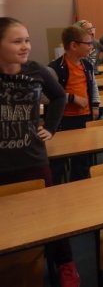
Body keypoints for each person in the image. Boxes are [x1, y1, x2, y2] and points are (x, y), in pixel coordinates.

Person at [0, 17, 80, 287]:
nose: (26, 46)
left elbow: (59, 96)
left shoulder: (37, 71)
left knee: (50, 215)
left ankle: (65, 263)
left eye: (27, 40)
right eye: (17, 41)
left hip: (32, 158)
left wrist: (51, 128)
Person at [48, 25, 100, 183]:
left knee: (82, 160)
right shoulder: (55, 68)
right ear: (73, 45)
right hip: (63, 120)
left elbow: (93, 86)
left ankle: (80, 187)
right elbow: (46, 95)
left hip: (84, 117)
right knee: (58, 161)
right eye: (88, 43)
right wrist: (71, 98)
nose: (91, 47)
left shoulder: (87, 65)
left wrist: (95, 105)